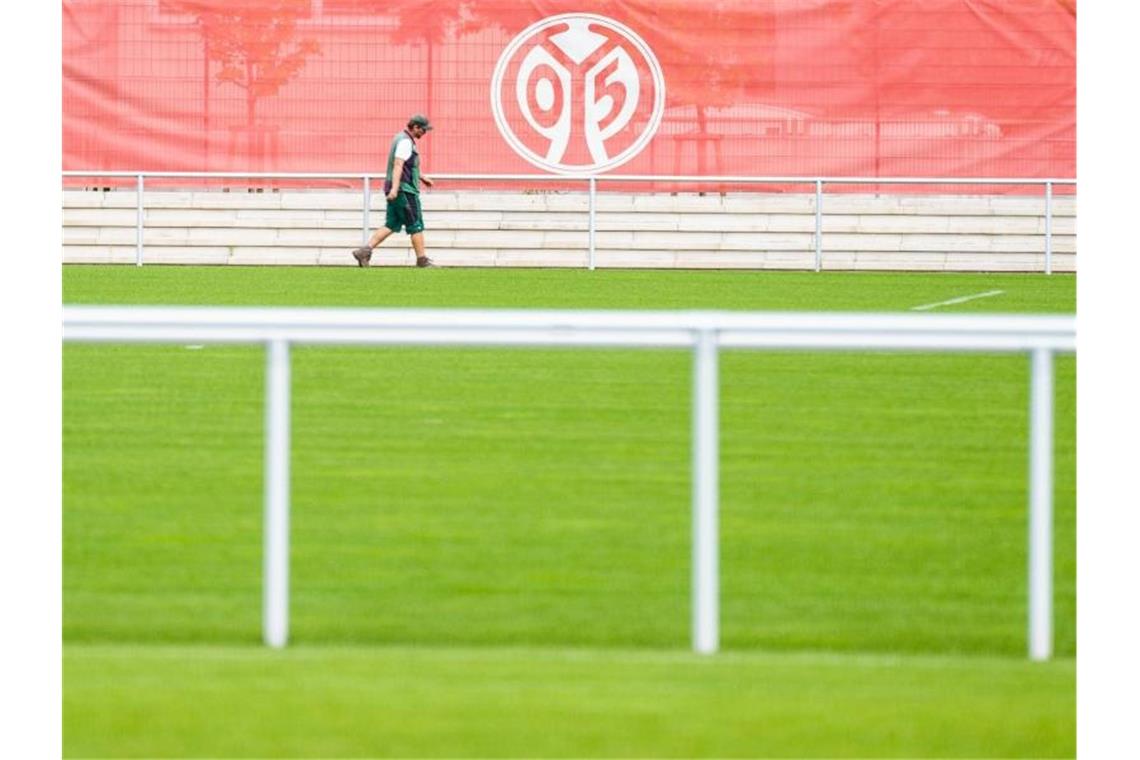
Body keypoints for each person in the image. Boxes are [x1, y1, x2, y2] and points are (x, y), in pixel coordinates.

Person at [353, 114, 436, 268]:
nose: (424, 133)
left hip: (397, 188)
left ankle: (364, 252)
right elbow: (398, 165)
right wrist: (395, 189)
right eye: (423, 130)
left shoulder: (401, 138)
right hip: (404, 190)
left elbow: (407, 166)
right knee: (415, 224)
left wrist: (422, 177)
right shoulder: (405, 142)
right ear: (416, 127)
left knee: (392, 224)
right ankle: (422, 261)